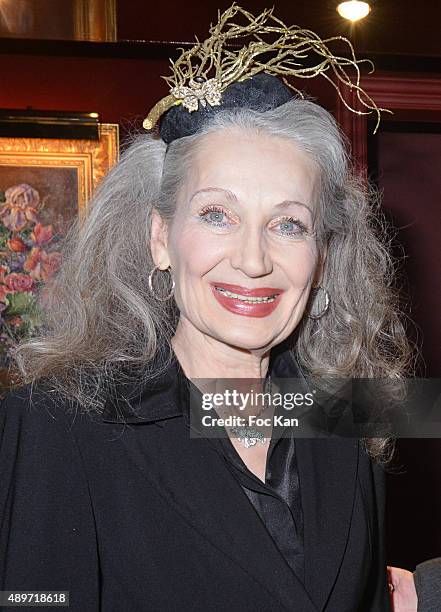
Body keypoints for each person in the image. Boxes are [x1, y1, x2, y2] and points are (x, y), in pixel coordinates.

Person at [0, 5, 412, 611]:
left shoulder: (352, 411)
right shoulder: (56, 424)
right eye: (217, 214)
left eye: (289, 224)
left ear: (321, 255)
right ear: (160, 237)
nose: (253, 259)